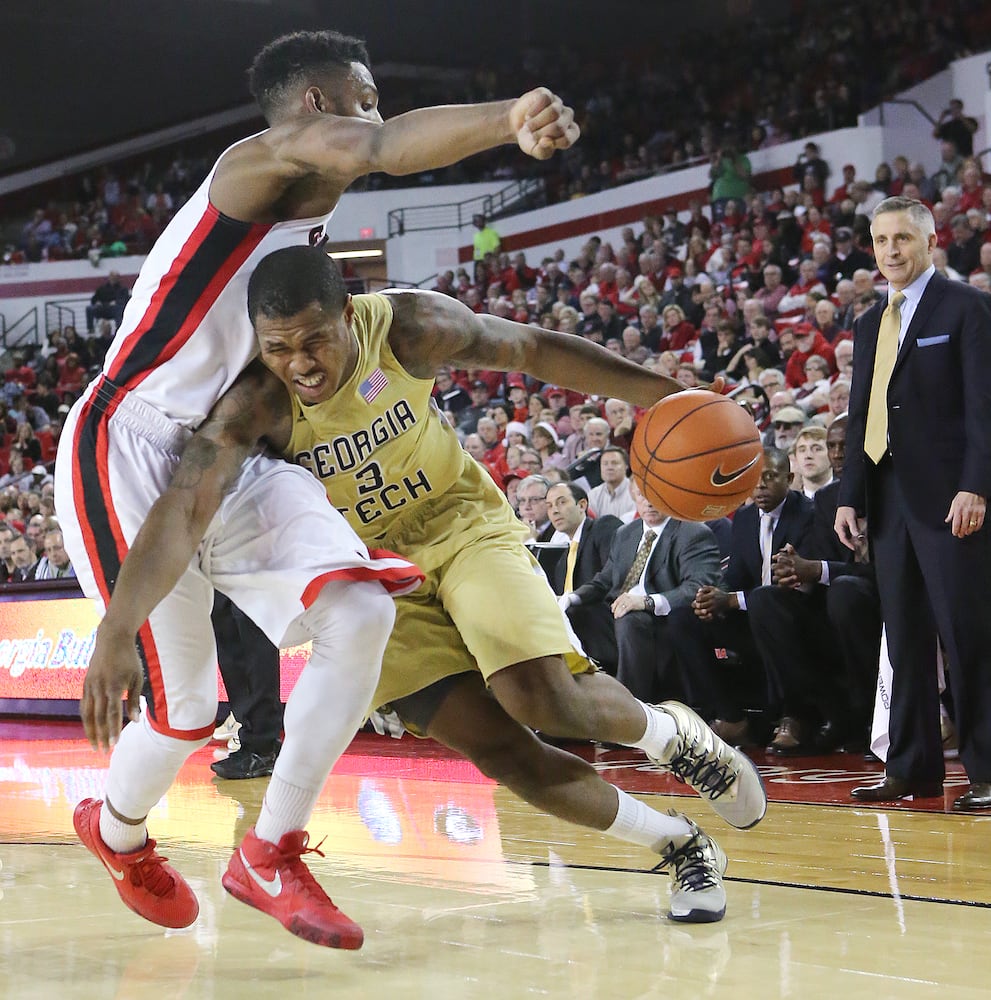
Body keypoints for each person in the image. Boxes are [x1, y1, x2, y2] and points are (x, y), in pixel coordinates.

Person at [55, 28, 579, 948]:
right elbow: (382, 145)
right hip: (127, 440)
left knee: (359, 610)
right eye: (364, 97)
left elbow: (374, 147)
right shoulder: (261, 162)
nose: (375, 113)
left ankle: (269, 850)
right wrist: (506, 118)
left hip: (226, 444)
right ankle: (118, 830)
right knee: (183, 714)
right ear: (317, 107)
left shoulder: (300, 211)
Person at [239, 245, 768, 922]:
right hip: (366, 576)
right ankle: (680, 845)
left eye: (315, 340)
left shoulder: (406, 327)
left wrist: (668, 397)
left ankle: (676, 740)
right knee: (502, 753)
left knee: (541, 697)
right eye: (281, 347)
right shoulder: (254, 401)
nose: (301, 363)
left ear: (348, 314)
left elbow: (530, 349)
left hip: (459, 522)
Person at [835, 196, 991, 809]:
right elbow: (859, 416)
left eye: (902, 238)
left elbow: (984, 409)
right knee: (903, 642)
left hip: (953, 497)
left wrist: (977, 485)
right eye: (880, 240)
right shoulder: (871, 322)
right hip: (888, 496)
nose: (891, 251)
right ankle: (912, 766)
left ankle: (986, 771)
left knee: (967, 636)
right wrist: (850, 496)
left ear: (930, 241)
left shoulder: (971, 308)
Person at [562, 480, 721, 702]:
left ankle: (630, 710)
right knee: (572, 614)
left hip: (661, 618)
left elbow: (697, 586)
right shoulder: (625, 532)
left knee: (631, 619)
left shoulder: (692, 532)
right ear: (633, 495)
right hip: (618, 611)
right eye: (642, 495)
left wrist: (646, 601)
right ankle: (578, 704)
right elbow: (604, 580)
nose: (649, 502)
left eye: (656, 495)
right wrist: (569, 598)